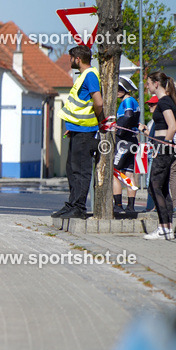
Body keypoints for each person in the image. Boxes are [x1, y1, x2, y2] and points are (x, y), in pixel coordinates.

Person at [51, 46, 105, 220]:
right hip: (77, 129)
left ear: (78, 59)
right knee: (72, 169)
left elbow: (98, 102)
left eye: (71, 58)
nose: (70, 61)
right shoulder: (83, 76)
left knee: (81, 170)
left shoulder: (90, 75)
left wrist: (98, 120)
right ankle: (72, 204)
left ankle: (79, 208)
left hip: (86, 131)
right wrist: (72, 125)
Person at [141, 71, 176, 239]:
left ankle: (163, 228)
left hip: (164, 148)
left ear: (156, 84)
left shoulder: (164, 101)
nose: (147, 86)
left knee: (154, 186)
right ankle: (167, 228)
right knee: (162, 188)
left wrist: (162, 146)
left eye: (149, 83)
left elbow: (172, 126)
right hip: (162, 145)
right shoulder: (165, 101)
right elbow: (164, 126)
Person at [112, 77, 140, 218]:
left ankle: (118, 206)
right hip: (133, 141)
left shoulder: (127, 101)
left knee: (114, 171)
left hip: (125, 141)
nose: (117, 92)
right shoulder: (133, 101)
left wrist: (119, 129)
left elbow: (128, 116)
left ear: (126, 89)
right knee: (128, 173)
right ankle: (130, 207)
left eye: (120, 89)